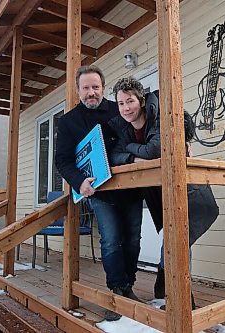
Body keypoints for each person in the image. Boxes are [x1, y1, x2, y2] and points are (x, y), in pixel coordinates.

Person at [108, 77, 219, 309]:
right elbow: (113, 156)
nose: (126, 108)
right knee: (175, 237)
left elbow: (155, 150)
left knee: (179, 237)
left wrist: (132, 151)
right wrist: (132, 157)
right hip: (160, 191)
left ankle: (176, 294)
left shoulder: (159, 114)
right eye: (120, 103)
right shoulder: (122, 127)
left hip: (187, 186)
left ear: (141, 100)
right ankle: (170, 288)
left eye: (130, 101)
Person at [55, 66, 143, 321]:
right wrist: (78, 181)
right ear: (78, 90)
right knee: (111, 239)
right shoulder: (69, 121)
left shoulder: (120, 109)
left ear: (103, 88)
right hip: (100, 192)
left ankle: (128, 286)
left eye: (95, 87)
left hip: (131, 188)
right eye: (86, 88)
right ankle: (116, 290)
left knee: (133, 240)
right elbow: (62, 160)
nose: (91, 92)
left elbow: (149, 125)